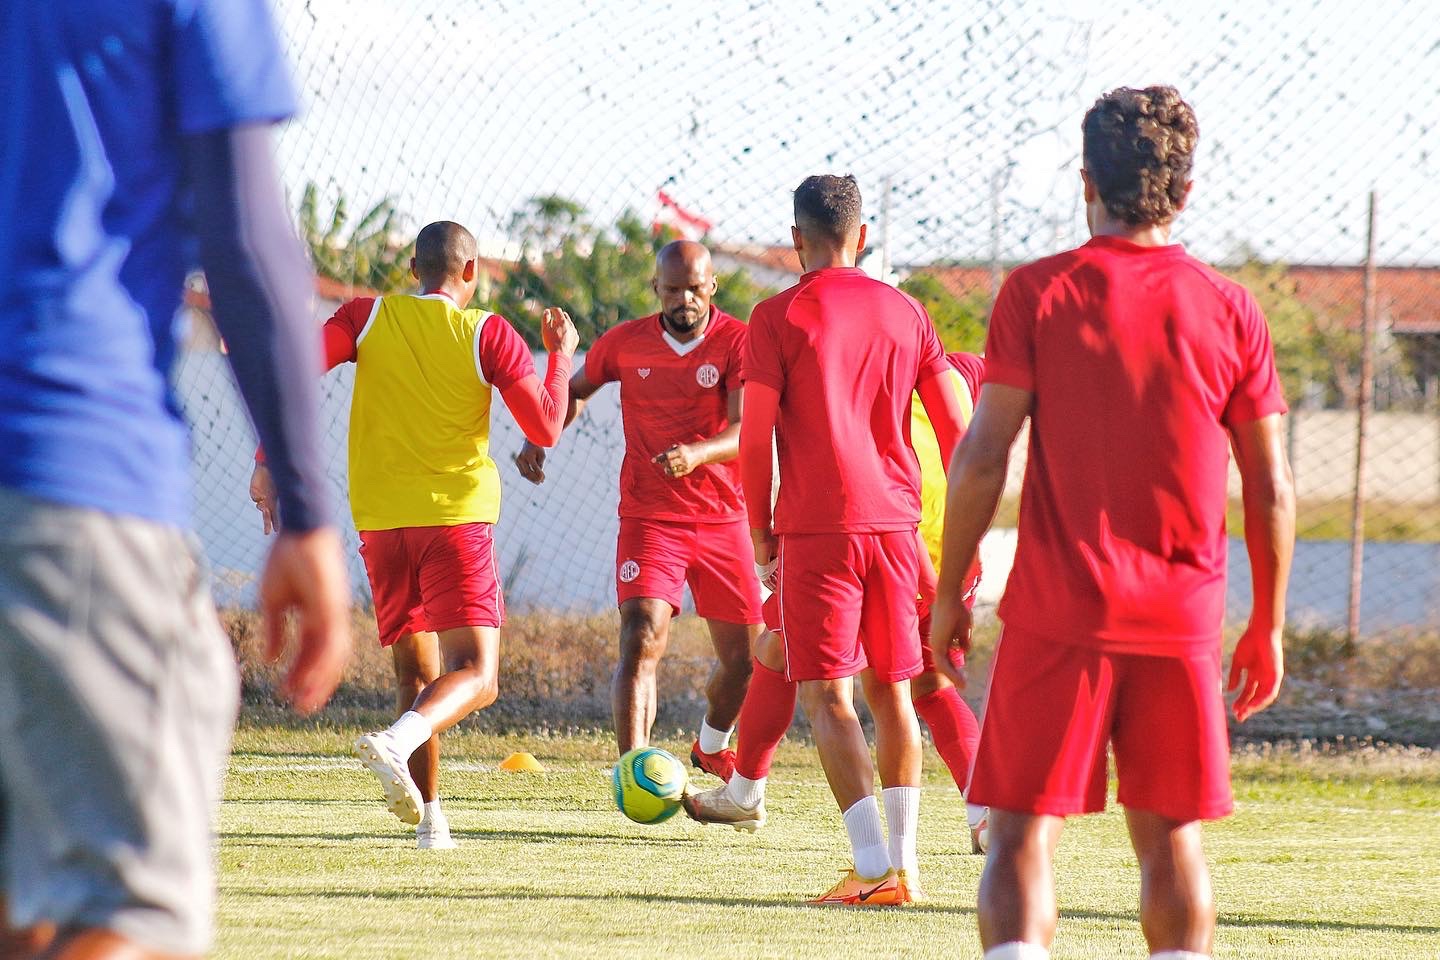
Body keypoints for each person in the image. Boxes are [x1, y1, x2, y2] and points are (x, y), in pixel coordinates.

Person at [0, 2, 353, 958]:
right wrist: (308, 513)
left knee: (26, 904)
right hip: (63, 452)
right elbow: (247, 235)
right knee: (132, 917)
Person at [929, 86, 1296, 960]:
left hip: (1060, 611)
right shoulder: (1230, 308)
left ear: (1085, 181)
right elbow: (1271, 486)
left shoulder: (1037, 292)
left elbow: (981, 456)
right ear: (1186, 191)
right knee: (1171, 839)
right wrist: (1269, 623)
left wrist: (950, 591)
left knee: (1018, 833)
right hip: (1180, 620)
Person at [251, 222, 578, 848]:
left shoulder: (364, 316)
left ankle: (431, 823)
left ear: (411, 268)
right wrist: (561, 354)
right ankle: (395, 742)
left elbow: (290, 377)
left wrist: (266, 460)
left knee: (417, 672)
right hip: (453, 521)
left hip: (381, 521)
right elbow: (545, 426)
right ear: (472, 271)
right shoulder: (488, 331)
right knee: (477, 675)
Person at [728, 175, 967, 906]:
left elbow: (756, 435)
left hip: (819, 527)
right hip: (898, 529)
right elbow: (958, 430)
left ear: (797, 240)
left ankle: (871, 870)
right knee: (895, 692)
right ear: (861, 237)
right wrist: (965, 540)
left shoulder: (774, 318)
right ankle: (908, 868)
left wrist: (760, 527)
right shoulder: (907, 312)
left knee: (827, 694)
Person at [683, 352, 989, 893]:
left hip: (874, 543)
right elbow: (1015, 377)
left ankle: (761, 799)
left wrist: (766, 532)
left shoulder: (854, 385)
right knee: (921, 684)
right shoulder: (955, 371)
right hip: (945, 558)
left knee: (800, 661)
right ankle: (983, 813)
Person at [514, 240, 762, 777]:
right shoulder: (625, 343)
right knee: (641, 634)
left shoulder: (739, 342)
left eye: (695, 288)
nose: (685, 299)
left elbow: (747, 431)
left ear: (712, 286)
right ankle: (634, 769)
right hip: (651, 518)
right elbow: (577, 388)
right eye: (673, 289)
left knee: (747, 662)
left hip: (723, 520)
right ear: (656, 288)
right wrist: (543, 435)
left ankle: (712, 744)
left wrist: (697, 452)